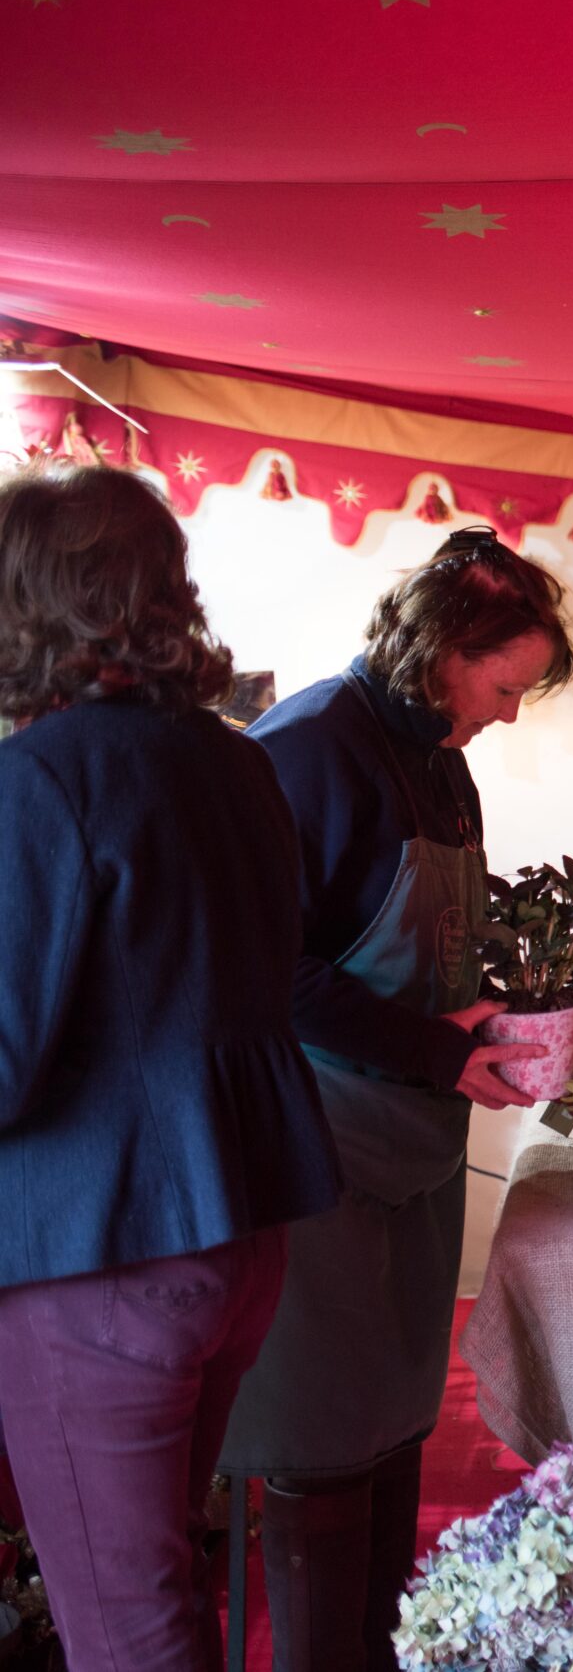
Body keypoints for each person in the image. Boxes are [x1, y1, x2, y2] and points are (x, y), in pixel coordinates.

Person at [0, 465, 341, 1669]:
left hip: (103, 1250)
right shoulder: (235, 758)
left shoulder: (46, 775)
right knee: (160, 1593)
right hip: (232, 1241)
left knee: (126, 1627)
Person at [219, 526, 573, 1669]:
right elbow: (261, 966)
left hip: (412, 1143)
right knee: (321, 1438)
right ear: (442, 648)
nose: (510, 712)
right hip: (314, 1145)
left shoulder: (440, 758)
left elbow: (416, 944)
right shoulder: (310, 746)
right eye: (503, 684)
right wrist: (427, 1048)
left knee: (391, 1426)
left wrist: (486, 1017)